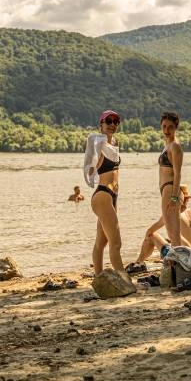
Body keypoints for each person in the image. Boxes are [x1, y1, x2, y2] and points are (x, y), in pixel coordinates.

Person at [82, 110, 124, 274]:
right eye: (108, 121)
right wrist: (96, 142)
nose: (113, 124)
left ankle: (98, 278)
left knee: (102, 242)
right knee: (116, 243)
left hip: (112, 196)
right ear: (101, 124)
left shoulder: (114, 144)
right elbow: (90, 166)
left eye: (116, 121)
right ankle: (124, 280)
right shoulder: (98, 145)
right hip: (102, 195)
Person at [131, 184, 191, 268]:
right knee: (172, 239)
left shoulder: (173, 213)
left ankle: (139, 263)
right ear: (187, 199)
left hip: (185, 259)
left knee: (152, 236)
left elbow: (150, 232)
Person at [157, 111, 189, 261]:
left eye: (170, 127)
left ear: (176, 128)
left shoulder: (175, 146)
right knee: (172, 233)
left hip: (171, 190)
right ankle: (183, 264)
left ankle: (182, 268)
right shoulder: (167, 145)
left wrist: (175, 197)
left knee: (173, 234)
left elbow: (178, 174)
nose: (166, 130)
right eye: (164, 126)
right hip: (167, 190)